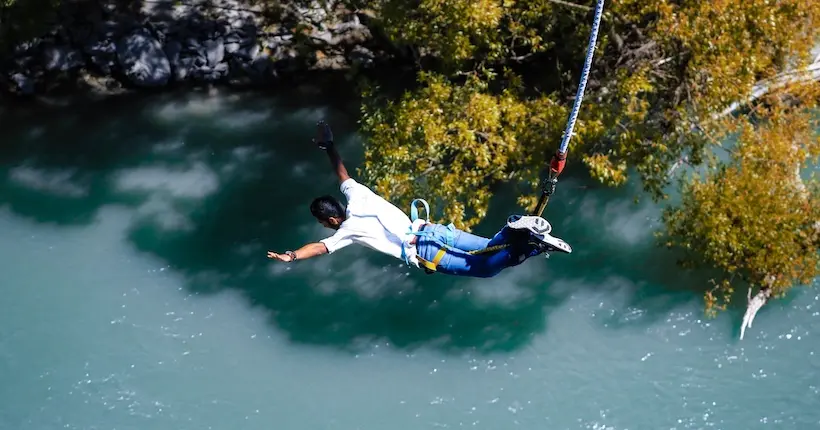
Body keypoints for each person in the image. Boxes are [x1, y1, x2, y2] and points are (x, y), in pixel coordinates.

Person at [266, 120, 572, 278]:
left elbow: (320, 248)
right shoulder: (356, 194)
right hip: (431, 229)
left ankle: (529, 240)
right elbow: (341, 172)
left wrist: (291, 256)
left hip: (425, 250)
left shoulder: (347, 231)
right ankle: (522, 232)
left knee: (486, 268)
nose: (325, 228)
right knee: (487, 247)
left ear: (331, 219)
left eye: (323, 223)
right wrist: (328, 144)